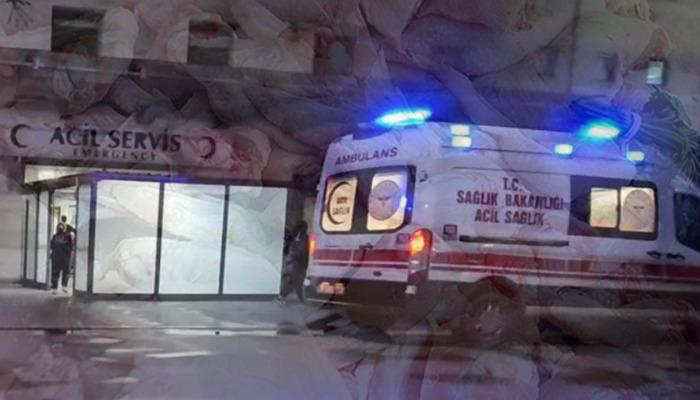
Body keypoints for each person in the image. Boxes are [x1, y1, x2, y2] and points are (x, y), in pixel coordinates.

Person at [277, 221, 310, 304]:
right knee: (296, 281)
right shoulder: (304, 237)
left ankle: (283, 296)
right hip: (297, 263)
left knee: (289, 280)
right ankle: (298, 298)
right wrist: (305, 265)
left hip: (288, 261)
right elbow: (304, 252)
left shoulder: (292, 235)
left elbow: (286, 247)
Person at [50, 223, 73, 294]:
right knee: (65, 272)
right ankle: (63, 286)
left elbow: (51, 246)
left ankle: (55, 288)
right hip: (64, 258)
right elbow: (70, 247)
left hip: (57, 258)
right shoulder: (67, 237)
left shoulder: (55, 237)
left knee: (56, 273)